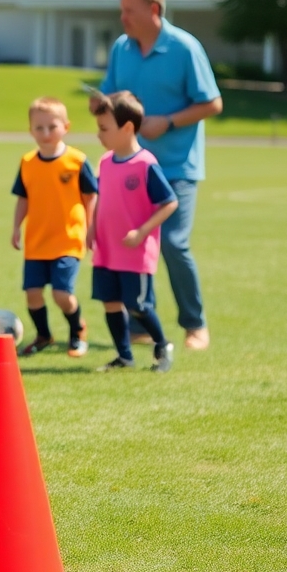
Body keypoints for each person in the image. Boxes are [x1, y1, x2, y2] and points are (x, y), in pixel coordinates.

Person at [96, 0, 222, 350]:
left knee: (172, 242)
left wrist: (167, 121)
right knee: (127, 243)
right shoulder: (122, 48)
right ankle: (139, 326)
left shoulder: (185, 48)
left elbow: (212, 104)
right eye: (121, 10)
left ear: (154, 10)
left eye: (129, 11)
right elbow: (111, 95)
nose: (122, 18)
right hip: (128, 166)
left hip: (176, 166)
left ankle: (194, 324)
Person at [88, 92, 179, 373]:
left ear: (127, 127)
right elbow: (102, 197)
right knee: (111, 303)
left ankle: (163, 345)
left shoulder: (145, 164)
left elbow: (169, 202)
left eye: (105, 128)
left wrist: (142, 232)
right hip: (106, 249)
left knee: (137, 304)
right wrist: (92, 227)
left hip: (134, 252)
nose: (99, 134)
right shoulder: (105, 162)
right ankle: (124, 356)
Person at [10, 97, 97, 357]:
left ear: (66, 127)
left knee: (62, 295)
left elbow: (91, 197)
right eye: (39, 128)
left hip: (68, 240)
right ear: (30, 130)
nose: (46, 133)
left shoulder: (77, 161)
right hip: (36, 240)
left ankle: (77, 331)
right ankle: (44, 336)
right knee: (33, 295)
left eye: (52, 127)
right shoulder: (27, 162)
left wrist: (91, 228)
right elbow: (23, 198)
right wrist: (16, 228)